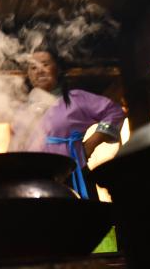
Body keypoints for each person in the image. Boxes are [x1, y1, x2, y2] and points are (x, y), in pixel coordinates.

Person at [9, 48, 125, 201]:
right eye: (33, 67)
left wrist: (92, 143)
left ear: (57, 69)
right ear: (29, 74)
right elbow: (15, 145)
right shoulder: (22, 110)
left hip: (71, 173)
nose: (40, 70)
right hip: (34, 179)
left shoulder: (76, 99)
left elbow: (114, 112)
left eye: (45, 64)